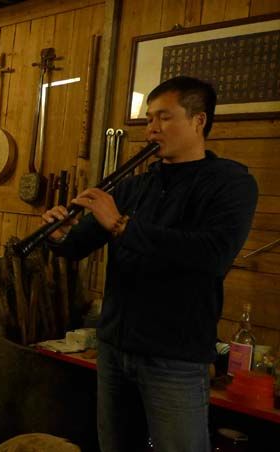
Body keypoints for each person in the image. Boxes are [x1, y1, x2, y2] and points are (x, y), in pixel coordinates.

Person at [43, 76, 258, 452]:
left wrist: (122, 226)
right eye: (149, 119)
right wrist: (59, 235)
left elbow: (213, 254)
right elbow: (79, 245)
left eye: (164, 117)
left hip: (174, 355)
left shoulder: (230, 183)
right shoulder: (135, 186)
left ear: (198, 120)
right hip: (114, 347)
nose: (151, 129)